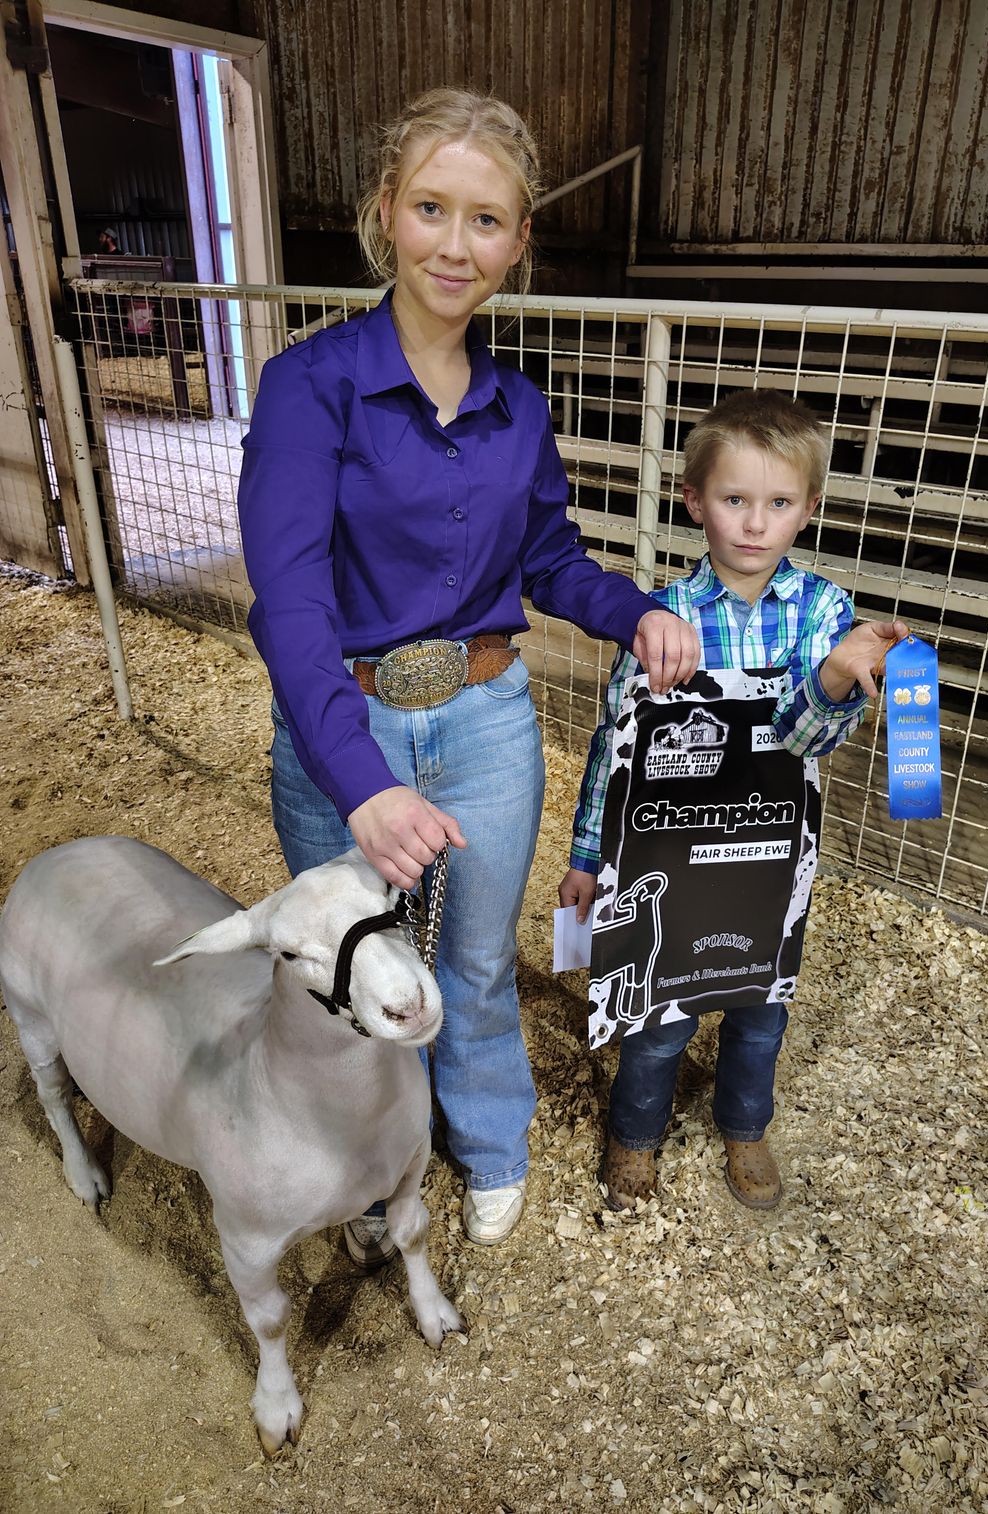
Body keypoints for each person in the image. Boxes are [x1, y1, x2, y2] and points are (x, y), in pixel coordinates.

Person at [236, 88, 699, 1258]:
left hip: (488, 718)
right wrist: (361, 782)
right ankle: (361, 1168)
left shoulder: (517, 408)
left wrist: (637, 611)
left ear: (518, 240)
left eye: (486, 220)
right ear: (386, 211)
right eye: (432, 208)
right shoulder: (309, 386)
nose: (456, 244)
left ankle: (489, 1137)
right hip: (346, 723)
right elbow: (290, 602)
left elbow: (549, 560)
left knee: (478, 963)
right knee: (354, 967)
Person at [559, 389, 906, 1213]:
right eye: (735, 499)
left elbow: (809, 741)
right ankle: (634, 1135)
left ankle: (746, 1127)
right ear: (694, 499)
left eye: (779, 503)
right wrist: (586, 857)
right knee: (660, 1017)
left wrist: (833, 677)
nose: (755, 523)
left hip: (769, 857)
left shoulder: (823, 613)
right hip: (670, 855)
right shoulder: (663, 617)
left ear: (809, 508)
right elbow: (615, 744)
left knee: (760, 1011)